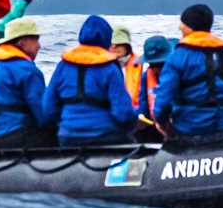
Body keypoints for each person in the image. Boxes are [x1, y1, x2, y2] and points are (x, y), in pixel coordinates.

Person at [41, 15, 138, 146]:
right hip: (105, 136)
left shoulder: (63, 66)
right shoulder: (110, 67)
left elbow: (48, 107)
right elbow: (123, 113)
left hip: (68, 135)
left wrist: (66, 124)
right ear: (107, 38)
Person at [154, 3, 223, 136]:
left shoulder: (177, 58)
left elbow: (164, 99)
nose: (180, 26)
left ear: (188, 27)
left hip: (189, 127)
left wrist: (162, 123)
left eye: (182, 23)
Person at [0, 18, 54, 148]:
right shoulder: (26, 69)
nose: (39, 46)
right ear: (22, 41)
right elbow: (43, 114)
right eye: (35, 39)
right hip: (18, 134)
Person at [131, 34, 174, 142]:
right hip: (155, 126)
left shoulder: (179, 73)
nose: (155, 69)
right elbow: (143, 106)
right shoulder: (146, 76)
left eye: (160, 64)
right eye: (152, 64)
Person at [110, 25, 141, 102]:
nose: (114, 47)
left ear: (127, 46)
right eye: (112, 44)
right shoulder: (105, 66)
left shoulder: (140, 64)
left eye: (119, 44)